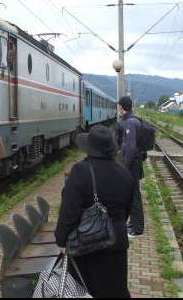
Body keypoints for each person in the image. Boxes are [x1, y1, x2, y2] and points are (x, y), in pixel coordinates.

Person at [55, 125, 134, 298]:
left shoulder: (80, 171)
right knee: (116, 288)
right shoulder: (124, 171)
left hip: (89, 242)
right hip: (117, 241)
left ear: (89, 149)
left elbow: (69, 211)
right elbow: (128, 207)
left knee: (85, 289)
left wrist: (61, 240)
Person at [114, 96, 146, 237]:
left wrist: (124, 166)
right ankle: (133, 223)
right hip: (134, 163)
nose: (118, 109)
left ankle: (137, 228)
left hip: (132, 164)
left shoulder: (130, 123)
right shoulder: (133, 120)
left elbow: (131, 147)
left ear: (121, 107)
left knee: (134, 195)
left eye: (119, 107)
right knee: (132, 194)